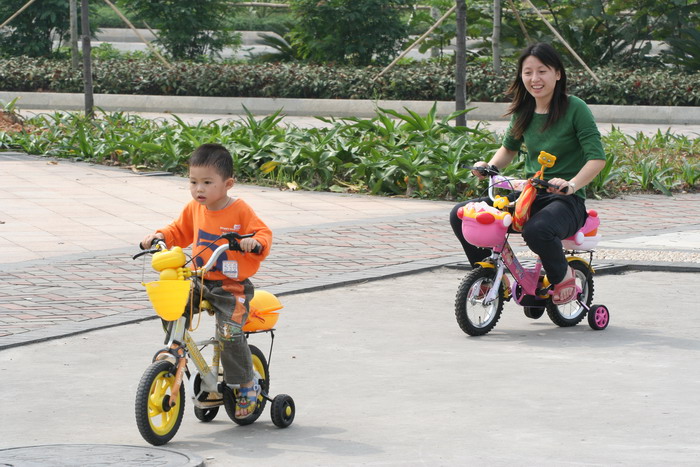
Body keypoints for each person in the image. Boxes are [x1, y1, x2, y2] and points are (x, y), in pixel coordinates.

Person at [449, 42, 606, 305]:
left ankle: (563, 276)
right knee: (462, 215)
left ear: (557, 74)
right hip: (528, 197)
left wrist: (571, 184)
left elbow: (597, 158)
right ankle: (489, 276)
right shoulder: (524, 110)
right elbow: (508, 150)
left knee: (538, 230)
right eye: (528, 72)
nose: (535, 79)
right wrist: (489, 167)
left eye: (542, 71)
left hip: (566, 202)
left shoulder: (575, 108)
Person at [141, 143, 272, 417]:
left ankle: (247, 383)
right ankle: (176, 349)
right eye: (193, 182)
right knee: (171, 302)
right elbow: (178, 230)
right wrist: (160, 237)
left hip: (231, 286)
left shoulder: (240, 211)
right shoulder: (194, 208)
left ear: (228, 184)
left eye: (207, 182)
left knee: (230, 334)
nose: (199, 189)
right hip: (199, 279)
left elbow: (263, 233)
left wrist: (254, 242)